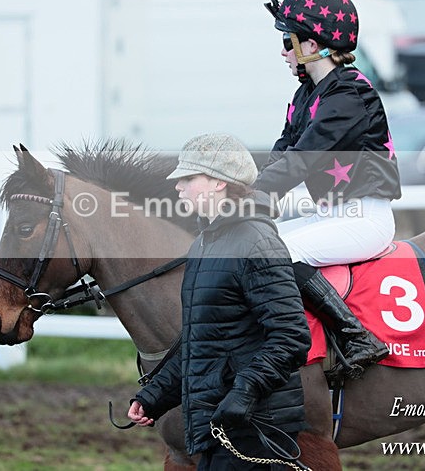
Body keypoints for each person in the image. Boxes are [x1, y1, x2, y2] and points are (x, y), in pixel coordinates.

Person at [127, 133, 311, 470]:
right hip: (219, 424)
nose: (178, 187)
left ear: (218, 183)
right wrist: (155, 396)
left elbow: (291, 336)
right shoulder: (203, 245)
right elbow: (201, 342)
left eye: (188, 178)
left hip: (255, 427)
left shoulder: (257, 242)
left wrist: (244, 393)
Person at [258, 0, 402, 377]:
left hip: (364, 220)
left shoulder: (348, 95)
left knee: (274, 254)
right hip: (333, 215)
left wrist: (254, 197)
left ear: (312, 44)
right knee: (255, 244)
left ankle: (358, 337)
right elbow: (282, 153)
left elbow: (302, 160)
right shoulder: (307, 94)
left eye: (287, 41)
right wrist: (247, 196)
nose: (284, 52)